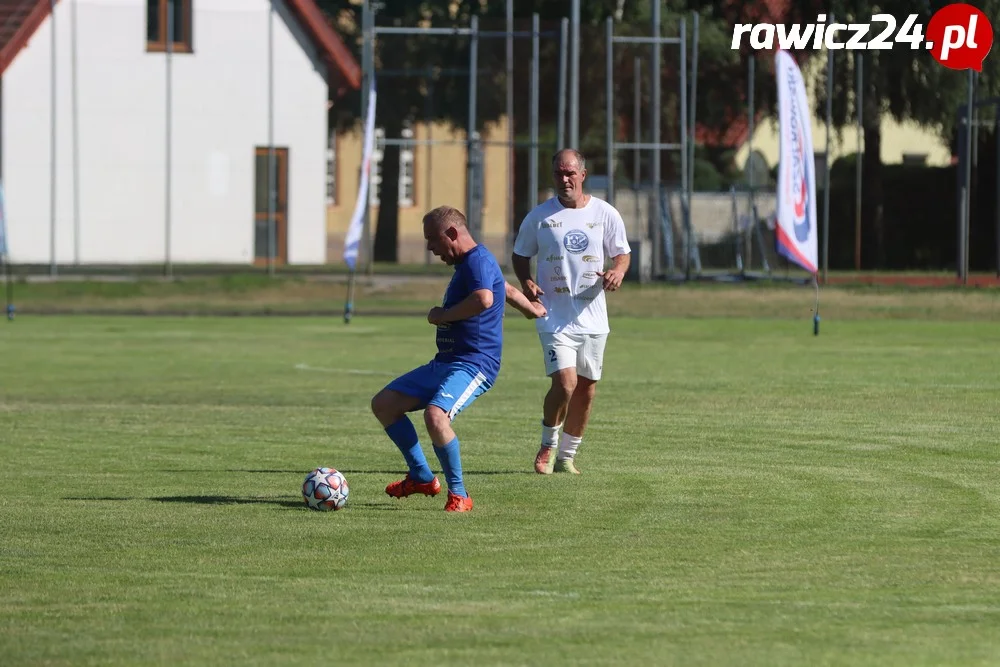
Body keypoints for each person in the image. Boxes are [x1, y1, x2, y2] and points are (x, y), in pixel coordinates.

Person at [371, 205, 547, 511]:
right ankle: (421, 476)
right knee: (384, 404)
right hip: (447, 362)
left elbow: (485, 299)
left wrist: (443, 316)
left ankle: (460, 495)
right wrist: (530, 309)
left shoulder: (476, 260)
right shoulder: (474, 263)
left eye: (433, 239)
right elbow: (502, 287)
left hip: (474, 363)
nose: (429, 247)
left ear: (452, 233)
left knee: (436, 416)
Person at [511, 148, 631, 475]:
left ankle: (567, 456)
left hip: (593, 317)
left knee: (586, 390)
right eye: (558, 174)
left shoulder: (605, 213)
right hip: (553, 315)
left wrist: (617, 271)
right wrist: (527, 281)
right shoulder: (539, 217)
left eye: (569, 173)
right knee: (565, 384)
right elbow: (520, 255)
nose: (564, 180)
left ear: (582, 174)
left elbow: (622, 254)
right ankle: (548, 445)